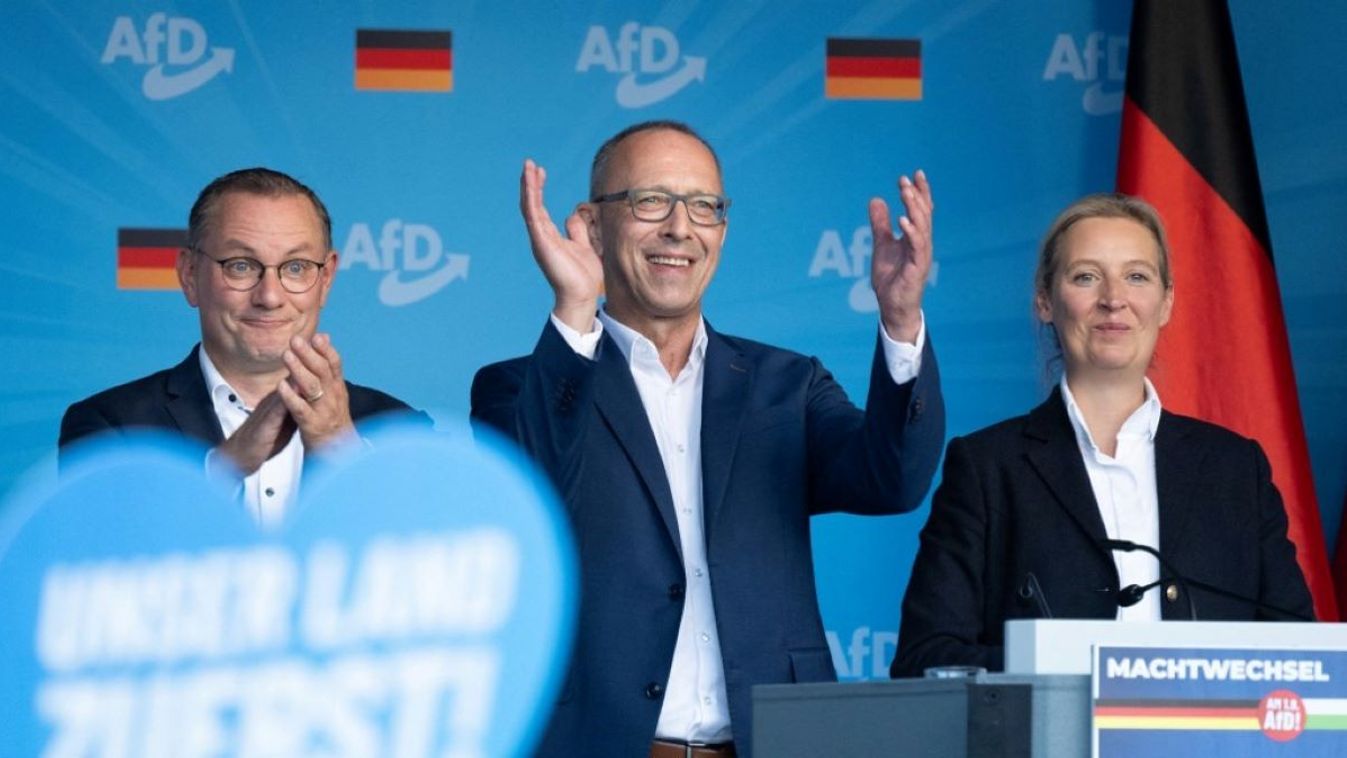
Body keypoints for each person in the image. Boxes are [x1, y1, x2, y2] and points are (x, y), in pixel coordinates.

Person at [471, 120, 944, 757]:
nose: (679, 227)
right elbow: (536, 495)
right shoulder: (518, 387)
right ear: (592, 223)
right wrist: (576, 307)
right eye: (650, 201)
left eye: (704, 207)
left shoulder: (788, 384)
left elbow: (893, 480)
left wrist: (901, 319)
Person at [891, 193, 1314, 678]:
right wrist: (1078, 664)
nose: (1114, 298)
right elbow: (924, 661)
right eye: (1086, 276)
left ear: (1166, 302)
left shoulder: (1236, 469)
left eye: (1137, 276)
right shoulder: (988, 467)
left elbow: (1299, 656)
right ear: (1046, 301)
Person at [60, 167, 422, 526]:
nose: (269, 296)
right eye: (241, 266)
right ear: (189, 275)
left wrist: (342, 452)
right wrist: (223, 469)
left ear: (325, 279)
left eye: (296, 267)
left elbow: (433, 566)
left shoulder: (402, 430)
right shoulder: (110, 426)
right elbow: (102, 559)